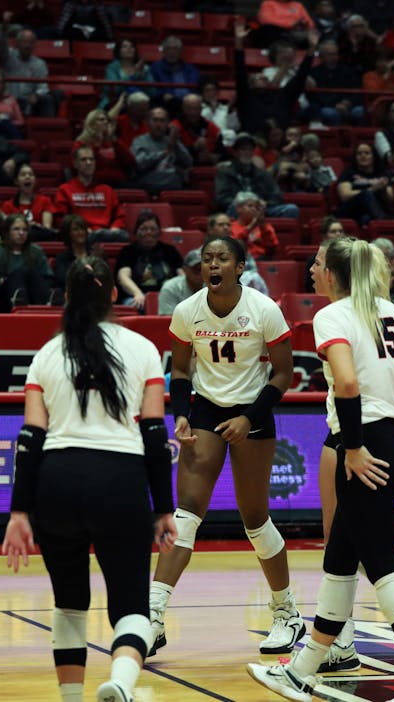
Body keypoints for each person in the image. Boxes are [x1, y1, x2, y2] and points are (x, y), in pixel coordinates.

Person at [249, 236, 394, 702]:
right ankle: (303, 671)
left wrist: (352, 446)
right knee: (340, 563)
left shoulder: (332, 315)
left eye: (318, 264)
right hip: (393, 440)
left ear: (335, 274)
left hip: (363, 448)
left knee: (383, 567)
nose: (311, 272)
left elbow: (345, 381)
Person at [2, 255, 176, 702]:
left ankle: (72, 700)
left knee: (69, 604)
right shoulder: (141, 349)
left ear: (67, 296)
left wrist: (19, 511)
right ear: (113, 295)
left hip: (56, 483)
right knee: (131, 607)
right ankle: (120, 681)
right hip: (119, 481)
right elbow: (155, 435)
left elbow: (29, 438)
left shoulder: (47, 353)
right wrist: (163, 508)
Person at [149, 235, 302, 659]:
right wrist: (179, 413)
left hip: (252, 412)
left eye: (222, 258)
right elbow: (180, 369)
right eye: (207, 259)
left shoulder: (264, 310)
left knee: (254, 517)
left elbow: (284, 375)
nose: (212, 264)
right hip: (206, 410)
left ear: (240, 267)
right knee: (187, 513)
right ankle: (153, 617)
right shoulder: (186, 311)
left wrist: (249, 417)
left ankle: (286, 612)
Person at [54, 145, 128, 244]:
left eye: (91, 159)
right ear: (75, 164)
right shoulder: (65, 189)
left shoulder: (107, 190)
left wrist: (115, 228)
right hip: (81, 235)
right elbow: (61, 219)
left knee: (124, 236)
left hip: (106, 234)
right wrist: (80, 229)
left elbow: (120, 216)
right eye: (84, 160)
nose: (88, 163)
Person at [0, 213, 52, 311]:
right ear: (7, 232)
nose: (21, 233)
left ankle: (46, 305)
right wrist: (1, 280)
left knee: (30, 272)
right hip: (0, 295)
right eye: (16, 229)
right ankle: (18, 301)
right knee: (19, 274)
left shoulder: (36, 251)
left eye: (25, 230)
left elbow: (48, 277)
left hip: (31, 293)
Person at [115, 210, 183, 311]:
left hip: (167, 296)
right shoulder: (128, 251)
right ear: (136, 232)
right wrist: (137, 293)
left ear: (159, 232)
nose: (148, 233)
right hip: (137, 297)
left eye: (153, 229)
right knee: (134, 305)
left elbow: (183, 276)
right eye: (144, 229)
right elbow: (123, 277)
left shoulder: (170, 251)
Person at [130, 107, 193, 195]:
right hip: (149, 187)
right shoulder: (140, 141)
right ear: (147, 122)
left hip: (174, 187)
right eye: (155, 120)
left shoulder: (172, 141)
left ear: (167, 123)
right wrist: (164, 152)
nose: (158, 124)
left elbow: (188, 162)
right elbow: (140, 164)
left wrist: (176, 144)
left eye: (162, 121)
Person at [336, 143, 394, 227]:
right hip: (352, 210)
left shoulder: (382, 173)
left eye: (367, 153)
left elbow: (390, 198)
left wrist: (383, 189)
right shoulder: (348, 173)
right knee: (367, 194)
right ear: (355, 157)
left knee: (366, 218)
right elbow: (344, 195)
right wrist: (371, 190)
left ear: (373, 156)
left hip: (371, 212)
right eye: (359, 154)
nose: (363, 156)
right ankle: (383, 223)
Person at [0, 162, 55, 234]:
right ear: (16, 181)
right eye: (23, 175)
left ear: (35, 180)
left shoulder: (45, 201)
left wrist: (36, 227)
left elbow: (47, 229)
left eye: (31, 174)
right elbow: (7, 231)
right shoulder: (8, 205)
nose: (27, 177)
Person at [100, 38, 155, 109]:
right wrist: (134, 71)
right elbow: (114, 89)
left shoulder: (144, 68)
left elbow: (153, 92)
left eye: (131, 46)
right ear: (118, 51)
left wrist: (143, 77)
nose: (129, 48)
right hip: (115, 102)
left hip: (139, 103)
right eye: (124, 47)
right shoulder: (112, 67)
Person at [231, 191, 280, 260]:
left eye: (256, 207)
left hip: (262, 261)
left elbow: (272, 245)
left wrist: (263, 227)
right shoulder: (231, 226)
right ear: (239, 208)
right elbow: (234, 244)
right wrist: (252, 226)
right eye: (250, 206)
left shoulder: (263, 225)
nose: (254, 209)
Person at [157, 248, 203, 315]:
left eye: (204, 269)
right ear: (184, 269)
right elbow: (167, 321)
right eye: (197, 269)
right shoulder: (171, 288)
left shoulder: (215, 287)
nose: (201, 273)